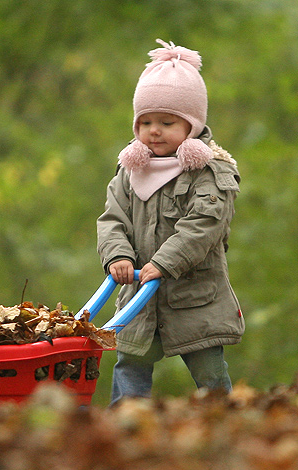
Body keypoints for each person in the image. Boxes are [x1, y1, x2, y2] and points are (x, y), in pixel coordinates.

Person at [96, 39, 243, 405]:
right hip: (139, 300)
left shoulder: (210, 172)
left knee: (208, 369)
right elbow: (112, 218)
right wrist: (117, 256)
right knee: (130, 365)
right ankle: (126, 427)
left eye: (166, 122)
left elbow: (204, 224)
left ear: (191, 126)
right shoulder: (131, 172)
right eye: (145, 122)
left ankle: (224, 421)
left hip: (195, 298)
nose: (154, 131)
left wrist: (164, 262)